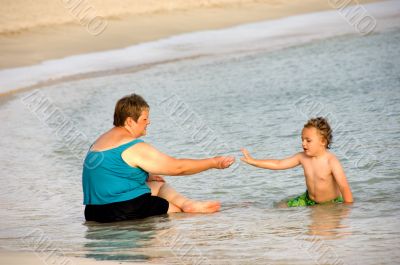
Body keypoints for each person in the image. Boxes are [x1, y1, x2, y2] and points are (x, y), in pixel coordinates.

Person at [82, 94, 235, 222]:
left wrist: (147, 175)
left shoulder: (98, 142)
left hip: (93, 212)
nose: (148, 122)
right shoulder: (132, 145)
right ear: (129, 121)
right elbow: (178, 168)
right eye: (144, 119)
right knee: (181, 214)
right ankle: (184, 222)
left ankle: (189, 203)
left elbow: (109, 173)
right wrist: (214, 162)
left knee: (156, 182)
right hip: (123, 209)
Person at [240, 117, 353, 207]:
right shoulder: (302, 157)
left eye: (308, 140)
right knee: (280, 207)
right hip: (308, 200)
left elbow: (344, 187)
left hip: (330, 203)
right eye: (302, 140)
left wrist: (347, 209)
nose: (303, 144)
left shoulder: (331, 161)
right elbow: (279, 164)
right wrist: (254, 161)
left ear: (323, 141)